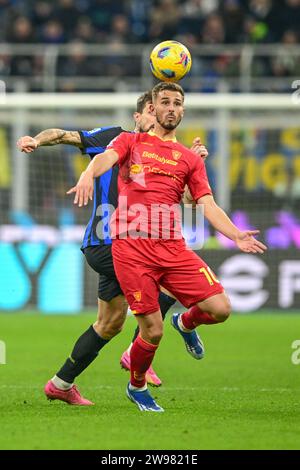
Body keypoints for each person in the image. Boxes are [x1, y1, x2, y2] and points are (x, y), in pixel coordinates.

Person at [69, 82, 267, 412]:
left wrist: (235, 235)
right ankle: (137, 386)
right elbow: (106, 157)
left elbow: (206, 203)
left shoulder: (189, 158)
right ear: (153, 109)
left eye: (177, 102)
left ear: (183, 111)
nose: (171, 107)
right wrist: (89, 173)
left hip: (172, 247)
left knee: (221, 309)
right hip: (131, 249)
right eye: (165, 102)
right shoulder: (131, 141)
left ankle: (186, 323)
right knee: (152, 331)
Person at [17, 91, 208, 405]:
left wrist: (196, 161)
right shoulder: (117, 138)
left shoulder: (169, 155)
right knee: (172, 278)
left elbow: (190, 202)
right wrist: (37, 140)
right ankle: (137, 356)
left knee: (110, 322)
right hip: (109, 242)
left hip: (134, 244)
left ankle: (61, 383)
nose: (158, 114)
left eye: (163, 107)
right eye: (151, 109)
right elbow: (63, 135)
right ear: (138, 116)